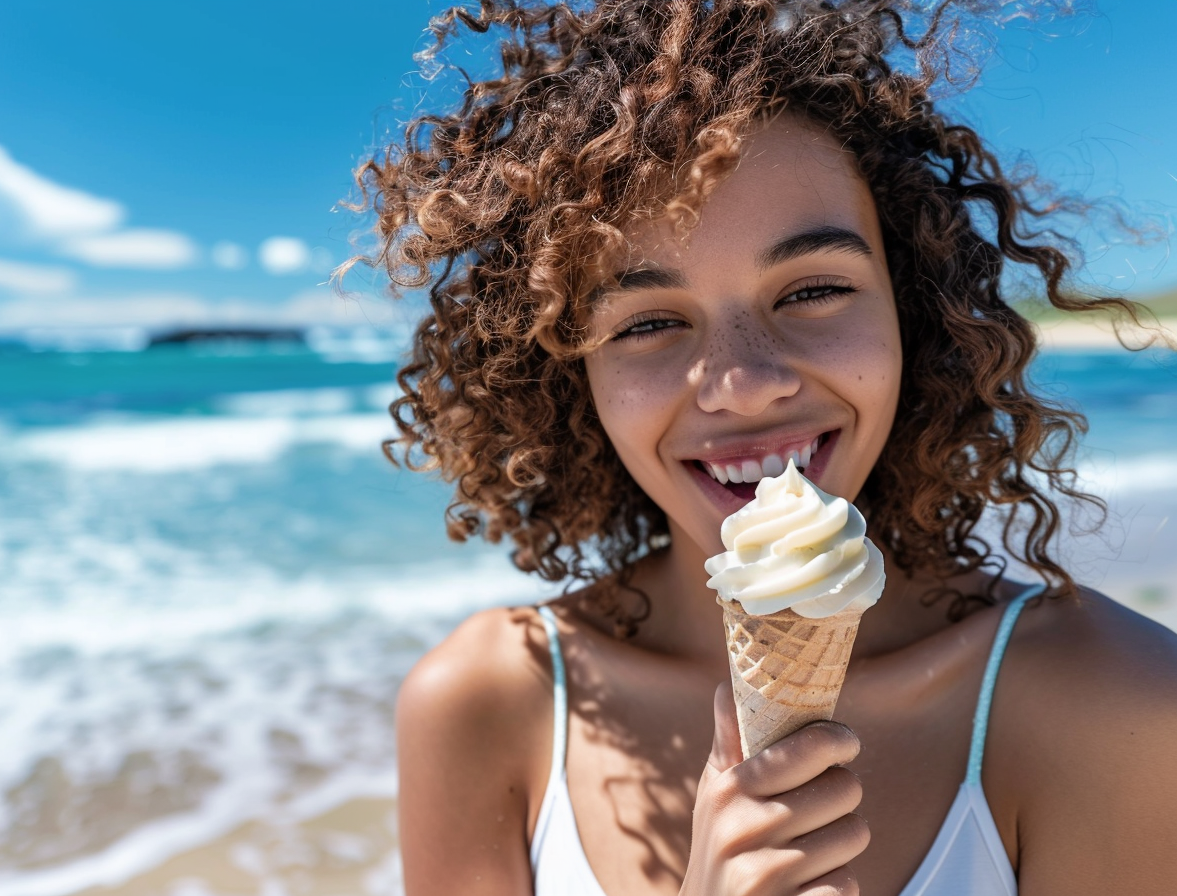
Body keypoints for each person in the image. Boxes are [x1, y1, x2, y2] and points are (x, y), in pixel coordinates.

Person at [344, 1, 1177, 893]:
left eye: (813, 289)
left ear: (917, 313)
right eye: (652, 320)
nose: (743, 383)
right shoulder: (483, 707)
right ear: (565, 372)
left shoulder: (1120, 702)